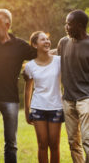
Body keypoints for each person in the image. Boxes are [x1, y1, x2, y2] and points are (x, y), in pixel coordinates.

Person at [0, 9, 37, 163]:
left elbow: (41, 54)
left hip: (11, 100)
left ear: (7, 25)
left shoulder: (19, 45)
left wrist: (63, 51)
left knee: (11, 144)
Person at [24, 31, 64, 163]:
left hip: (56, 107)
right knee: (42, 145)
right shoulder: (30, 66)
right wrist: (26, 111)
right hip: (38, 108)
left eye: (47, 39)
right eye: (43, 40)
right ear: (35, 45)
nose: (47, 41)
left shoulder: (58, 61)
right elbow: (28, 89)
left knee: (54, 145)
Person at [57, 9, 89, 163]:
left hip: (86, 99)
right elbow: (54, 61)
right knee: (73, 142)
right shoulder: (63, 42)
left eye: (69, 24)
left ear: (80, 25)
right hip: (68, 99)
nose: (66, 27)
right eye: (66, 23)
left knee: (87, 140)